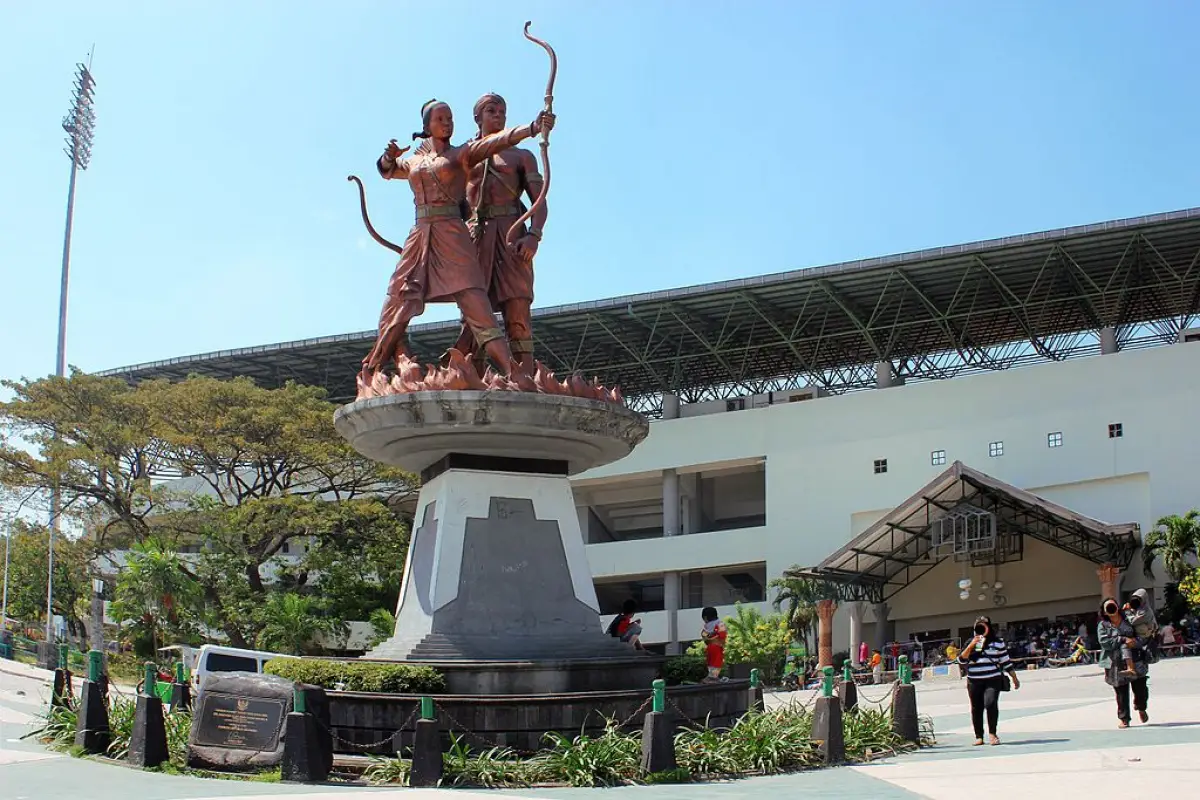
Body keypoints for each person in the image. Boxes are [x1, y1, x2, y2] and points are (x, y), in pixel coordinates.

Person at [361, 99, 556, 381]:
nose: (447, 123)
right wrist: (389, 157)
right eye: (440, 119)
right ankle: (382, 365)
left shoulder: (467, 154)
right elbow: (388, 170)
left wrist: (533, 127)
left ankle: (519, 373)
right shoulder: (420, 159)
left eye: (450, 118)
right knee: (399, 297)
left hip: (496, 236)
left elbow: (535, 195)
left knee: (507, 306)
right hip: (454, 235)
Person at [446, 93, 546, 375]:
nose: (498, 115)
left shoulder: (521, 156)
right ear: (477, 117)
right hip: (475, 240)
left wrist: (534, 236)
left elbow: (540, 201)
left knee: (518, 311)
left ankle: (525, 376)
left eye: (502, 110)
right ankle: (471, 377)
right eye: (491, 110)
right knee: (473, 316)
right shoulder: (462, 155)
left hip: (512, 237)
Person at [958, 614, 1021, 746]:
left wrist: (1014, 677)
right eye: (978, 626)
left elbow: (1005, 661)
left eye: (984, 625)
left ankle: (992, 733)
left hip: (993, 679)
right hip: (974, 680)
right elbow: (961, 660)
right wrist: (971, 645)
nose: (981, 628)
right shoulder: (970, 641)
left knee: (991, 703)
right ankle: (979, 736)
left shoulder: (997, 642)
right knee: (976, 708)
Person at [1098, 596, 1150, 728]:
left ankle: (1141, 707)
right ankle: (1124, 718)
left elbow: (1141, 631)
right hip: (1115, 662)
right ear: (1104, 612)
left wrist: (1134, 642)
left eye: (1113, 605)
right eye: (1108, 608)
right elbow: (1104, 642)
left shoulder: (1128, 619)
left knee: (1141, 688)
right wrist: (1121, 640)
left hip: (1135, 657)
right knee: (1121, 692)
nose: (1112, 609)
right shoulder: (1103, 626)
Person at [1120, 588, 1159, 674]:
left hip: (1143, 638)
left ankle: (1130, 668)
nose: (1135, 601)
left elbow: (1133, 621)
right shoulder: (1138, 610)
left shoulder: (1146, 611)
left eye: (1138, 599)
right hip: (1139, 635)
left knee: (1125, 645)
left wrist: (1127, 611)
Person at [700, 606, 727, 682]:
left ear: (705, 617)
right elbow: (722, 635)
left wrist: (708, 638)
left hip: (709, 646)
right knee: (716, 662)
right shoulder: (720, 623)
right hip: (717, 646)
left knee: (711, 662)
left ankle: (711, 677)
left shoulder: (706, 626)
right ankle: (713, 677)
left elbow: (703, 635)